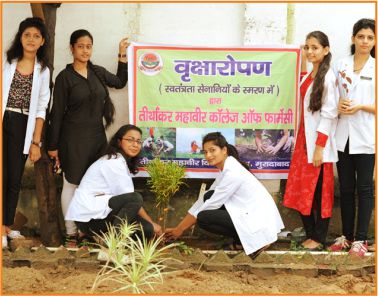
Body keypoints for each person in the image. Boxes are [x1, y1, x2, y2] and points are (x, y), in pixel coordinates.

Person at [47, 29, 129, 247]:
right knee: (71, 184)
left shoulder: (97, 72)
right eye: (81, 46)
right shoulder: (65, 77)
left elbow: (120, 81)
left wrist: (122, 55)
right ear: (72, 48)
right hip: (72, 138)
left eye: (89, 46)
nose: (85, 50)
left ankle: (87, 230)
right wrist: (52, 146)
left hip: (96, 138)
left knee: (93, 185)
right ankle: (71, 233)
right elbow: (56, 113)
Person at [165, 132, 284, 257]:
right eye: (205, 152)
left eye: (212, 150)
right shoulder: (226, 169)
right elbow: (203, 200)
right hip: (249, 214)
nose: (208, 155)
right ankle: (241, 242)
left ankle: (259, 241)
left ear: (224, 150)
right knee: (208, 196)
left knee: (203, 218)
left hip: (259, 221)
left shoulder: (232, 172)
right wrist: (178, 228)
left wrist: (180, 230)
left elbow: (211, 204)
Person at [283, 31, 339, 250]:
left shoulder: (328, 78)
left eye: (315, 47)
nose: (310, 51)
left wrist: (319, 149)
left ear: (326, 50)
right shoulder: (309, 76)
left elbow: (329, 114)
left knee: (319, 192)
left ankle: (318, 237)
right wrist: (300, 51)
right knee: (300, 188)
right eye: (307, 47)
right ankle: (310, 233)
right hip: (303, 142)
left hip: (318, 144)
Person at [65, 124, 162, 243]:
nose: (135, 144)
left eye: (138, 141)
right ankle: (114, 244)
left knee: (146, 229)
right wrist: (153, 223)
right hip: (89, 219)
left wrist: (151, 226)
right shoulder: (114, 162)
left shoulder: (120, 160)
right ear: (119, 141)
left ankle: (111, 243)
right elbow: (132, 199)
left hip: (102, 212)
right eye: (130, 140)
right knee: (135, 198)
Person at [2, 17, 50, 249]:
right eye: (27, 35)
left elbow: (42, 107)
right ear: (20, 37)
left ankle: (5, 227)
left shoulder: (43, 70)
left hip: (23, 125)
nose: (31, 39)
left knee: (13, 178)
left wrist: (36, 142)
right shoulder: (6, 61)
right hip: (3, 119)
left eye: (36, 36)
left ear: (42, 41)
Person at [329, 19, 375, 257]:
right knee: (346, 188)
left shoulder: (375, 68)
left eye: (370, 37)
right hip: (343, 136)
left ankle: (362, 240)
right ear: (353, 38)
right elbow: (331, 96)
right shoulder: (340, 65)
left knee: (365, 188)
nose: (365, 41)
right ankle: (345, 236)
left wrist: (360, 107)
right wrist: (338, 103)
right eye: (361, 36)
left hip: (366, 136)